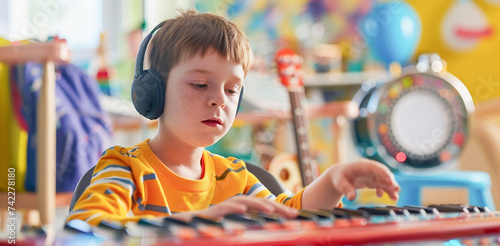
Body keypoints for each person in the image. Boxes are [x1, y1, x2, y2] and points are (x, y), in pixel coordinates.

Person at [66, 10, 400, 226]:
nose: (218, 100)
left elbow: (291, 215)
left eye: (231, 90)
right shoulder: (125, 168)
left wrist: (332, 180)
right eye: (200, 84)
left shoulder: (234, 177)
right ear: (152, 91)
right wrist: (196, 222)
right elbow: (87, 226)